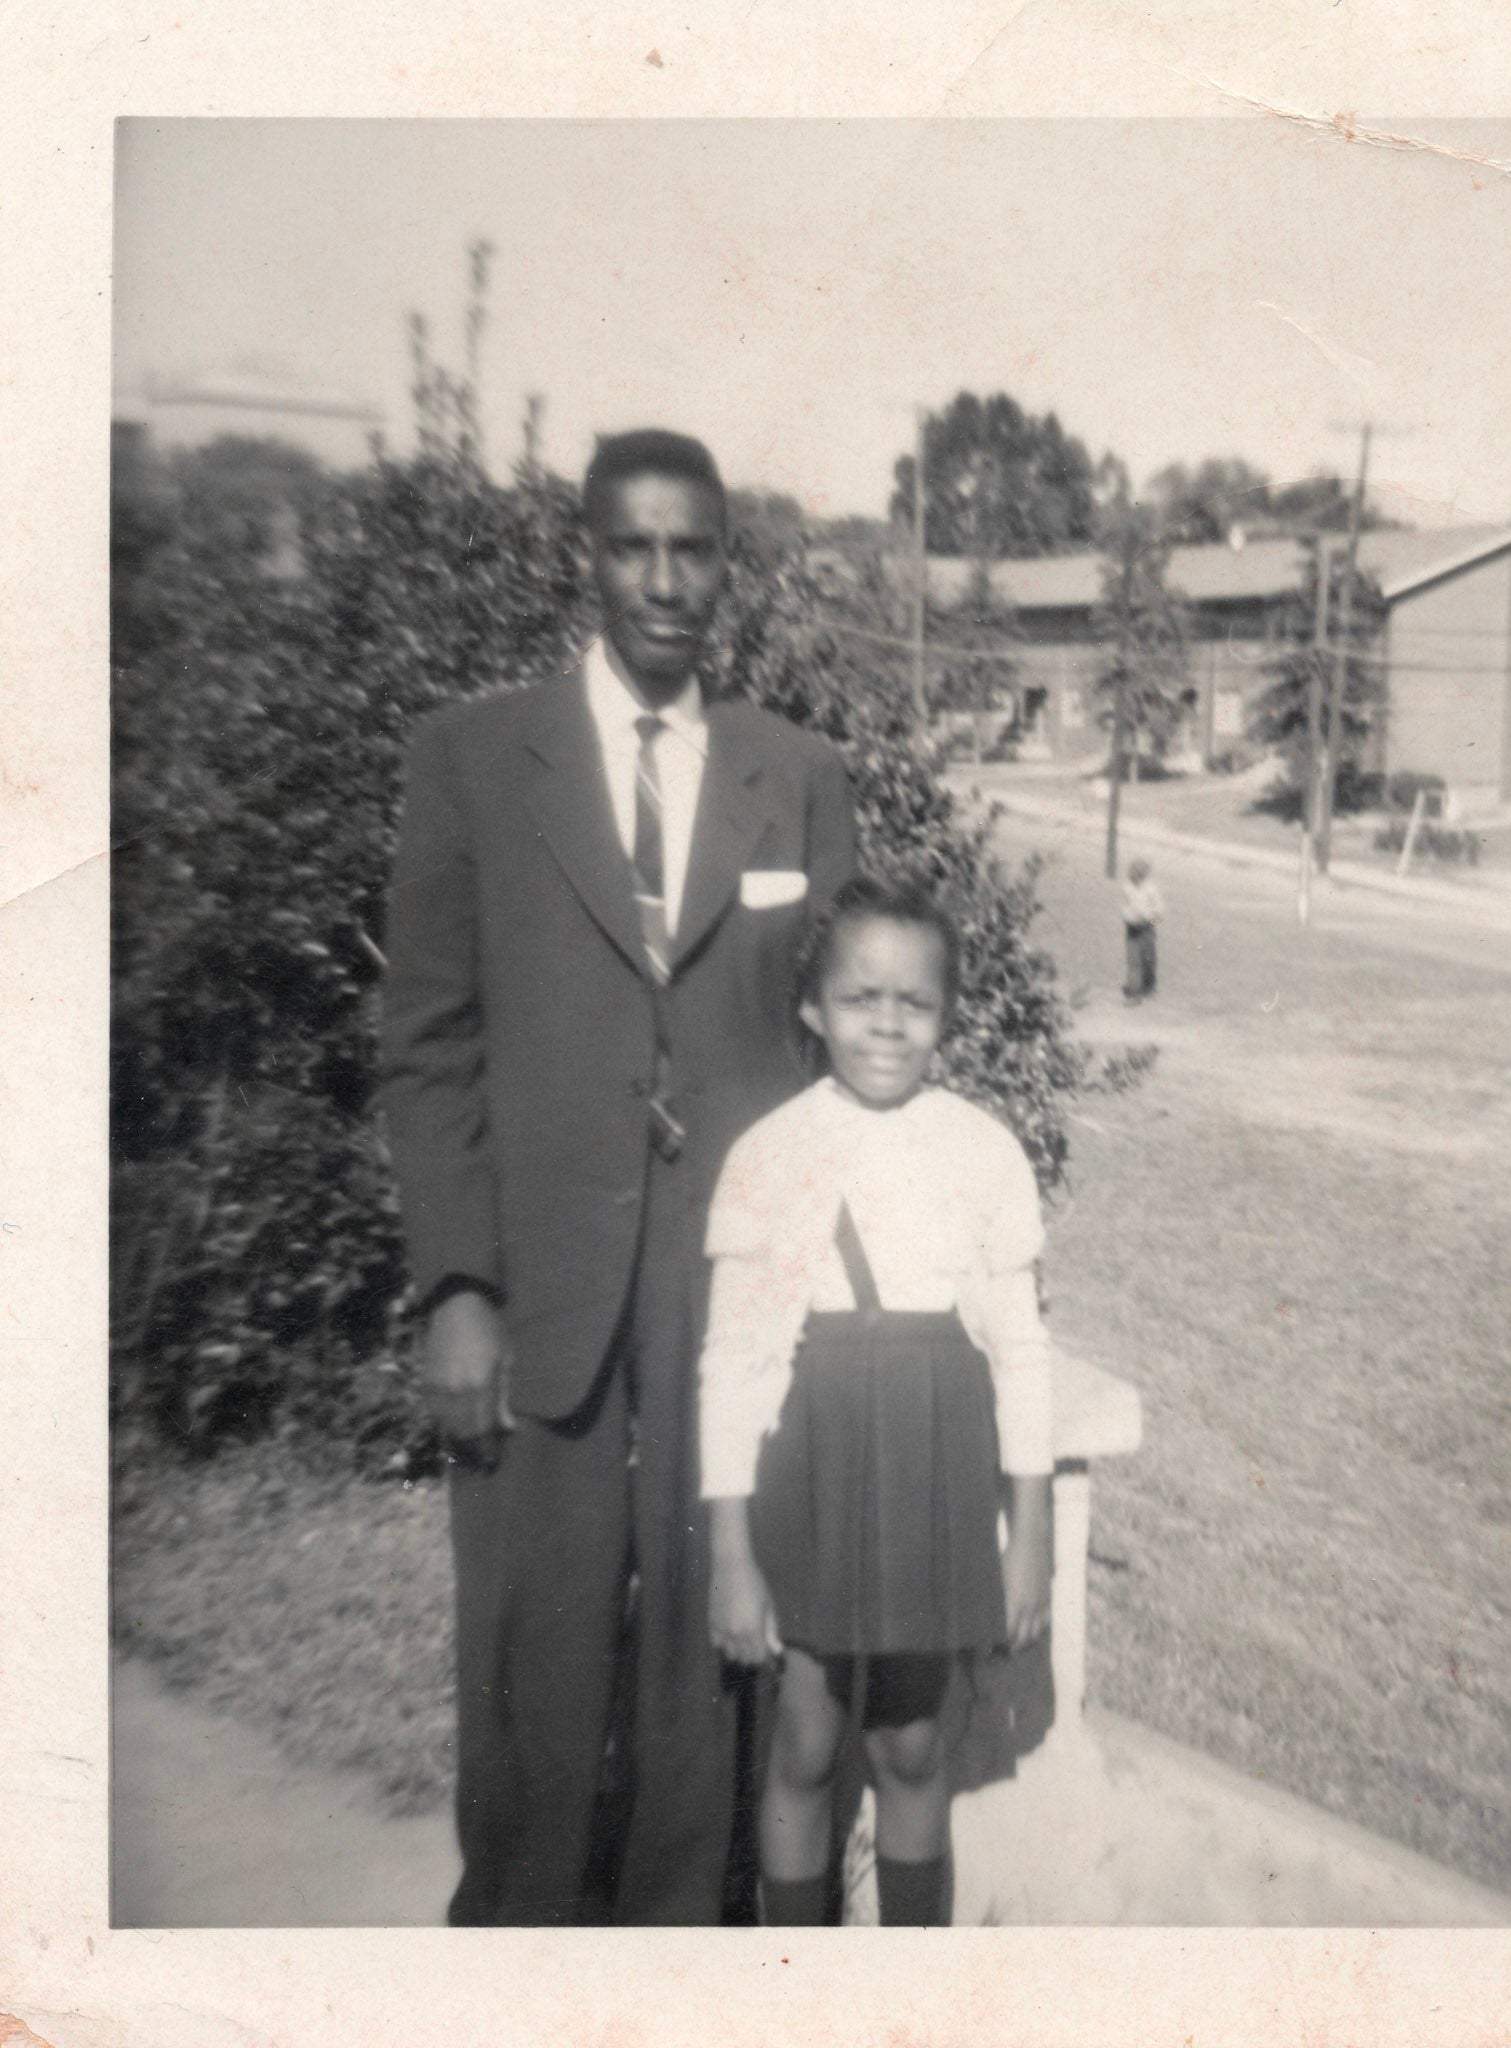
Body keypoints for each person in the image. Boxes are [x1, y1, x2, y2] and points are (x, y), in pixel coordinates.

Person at [379, 428, 858, 1926]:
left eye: (694, 548)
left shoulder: (799, 774)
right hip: (541, 1277)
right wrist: (457, 1281)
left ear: (730, 564)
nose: (665, 580)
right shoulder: (470, 757)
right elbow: (428, 1041)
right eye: (633, 546)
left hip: (729, 1285)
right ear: (584, 557)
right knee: (532, 1626)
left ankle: (667, 1949)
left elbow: (844, 1049)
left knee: (706, 1642)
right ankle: (514, 1944)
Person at [700, 878, 1055, 1927]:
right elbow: (736, 1361)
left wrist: (1026, 1531)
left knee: (909, 1739)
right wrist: (731, 1552)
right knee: (805, 1737)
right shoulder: (768, 1155)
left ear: (947, 1013)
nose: (889, 1023)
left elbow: (1021, 1352)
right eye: (861, 997)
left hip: (930, 1463)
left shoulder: (982, 1150)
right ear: (812, 1006)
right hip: (813, 1463)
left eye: (916, 1001)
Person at [1121, 855, 1165, 1003]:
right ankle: (1134, 993)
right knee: (1133, 960)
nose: (1135, 876)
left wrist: (1149, 920)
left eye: (1139, 874)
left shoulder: (1151, 889)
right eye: (1133, 873)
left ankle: (1149, 986)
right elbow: (1125, 906)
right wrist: (1127, 917)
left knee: (1148, 959)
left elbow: (1160, 911)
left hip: (1147, 928)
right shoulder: (1127, 887)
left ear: (1144, 874)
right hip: (1132, 928)